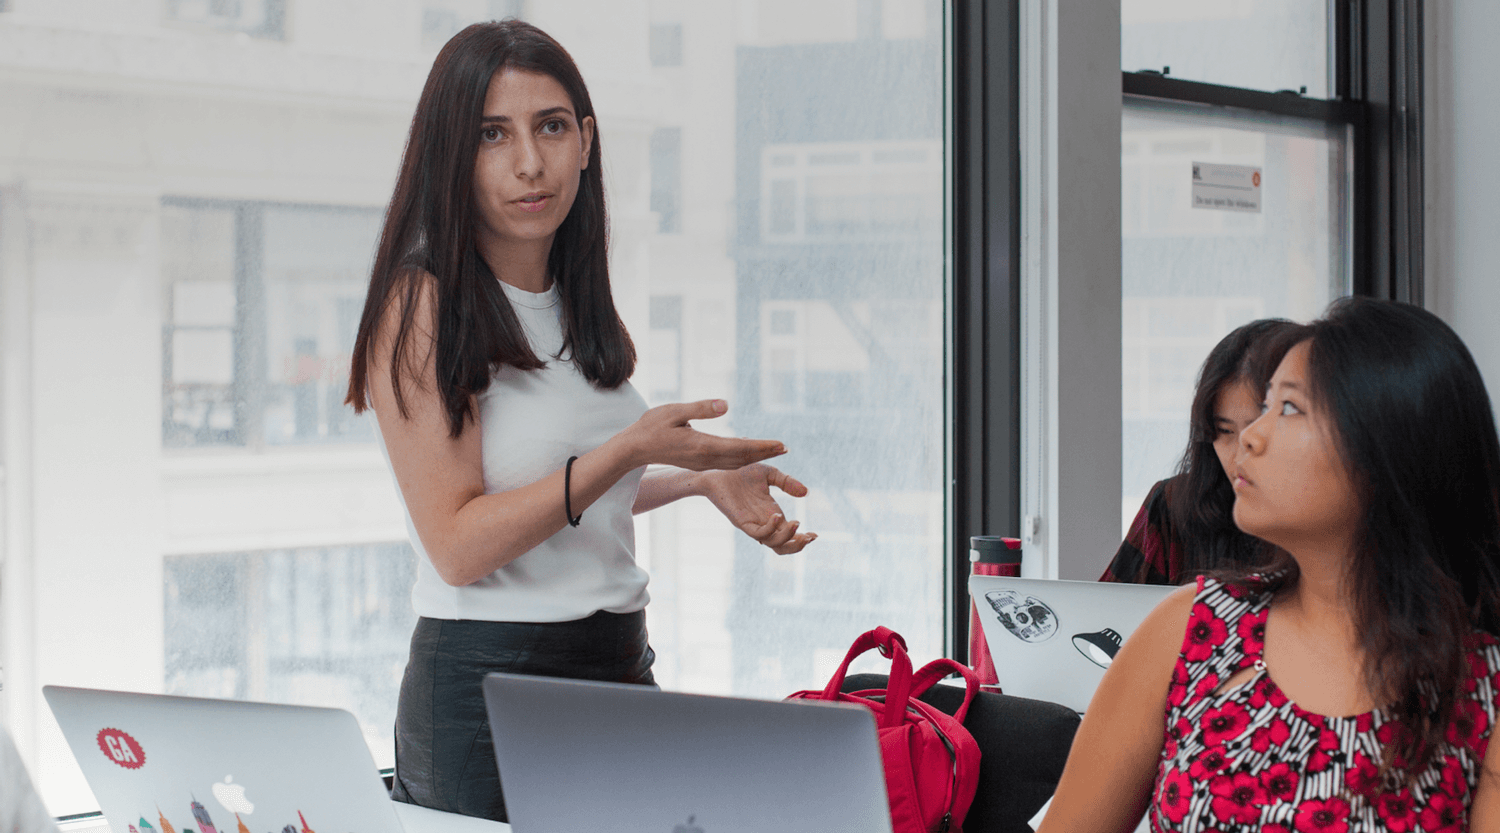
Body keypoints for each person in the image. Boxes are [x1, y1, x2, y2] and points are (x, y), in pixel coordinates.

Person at [343, 20, 815, 822]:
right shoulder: (423, 303)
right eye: (493, 135)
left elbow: (557, 498)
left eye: (551, 127)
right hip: (488, 690)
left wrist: (692, 480)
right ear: (452, 152)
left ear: (587, 141)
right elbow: (458, 545)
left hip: (616, 663)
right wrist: (627, 447)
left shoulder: (572, 300)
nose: (531, 162)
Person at [1041, 297, 1500, 832]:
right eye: (1237, 422)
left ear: (1389, 450)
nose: (1250, 441)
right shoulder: (1189, 629)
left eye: (1288, 409)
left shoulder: (1481, 689)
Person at [1101, 318, 1298, 586]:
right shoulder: (1175, 507)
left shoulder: (1334, 527)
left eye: (1258, 428)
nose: (1241, 453)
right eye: (1225, 431)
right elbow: (1108, 618)